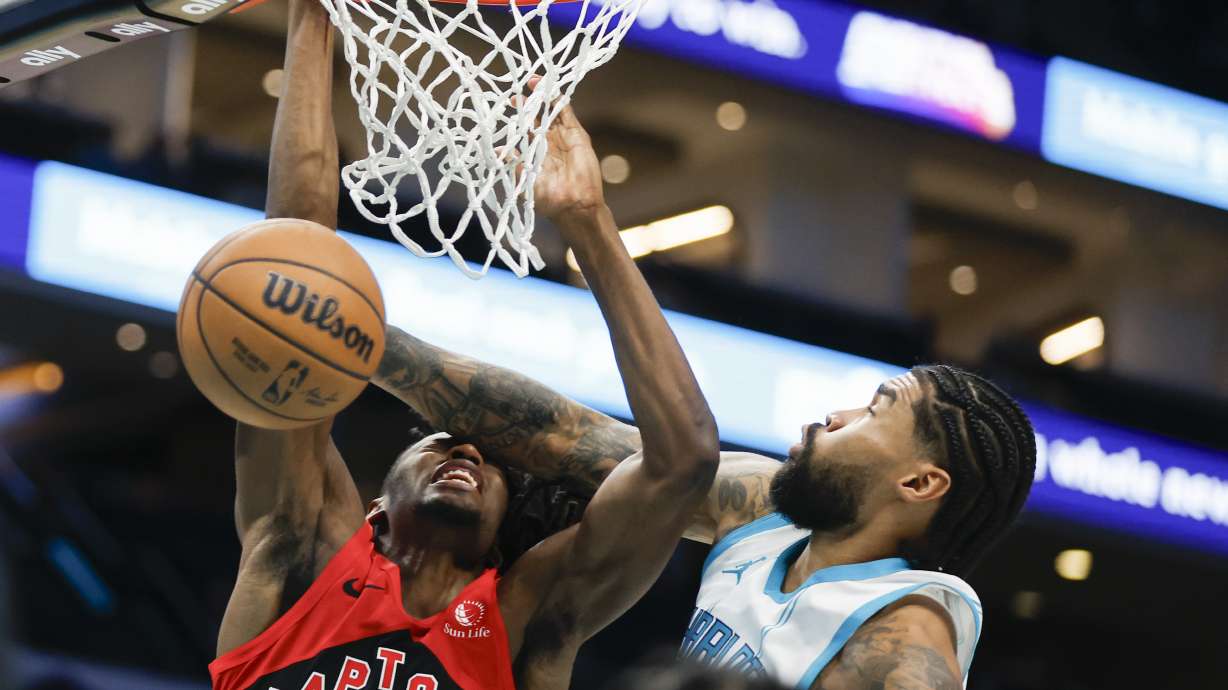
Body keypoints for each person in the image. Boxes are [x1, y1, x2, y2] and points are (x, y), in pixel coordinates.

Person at [207, 2, 719, 689]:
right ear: (376, 505)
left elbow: (684, 459)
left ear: (506, 527)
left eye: (487, 461)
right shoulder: (300, 548)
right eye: (440, 443)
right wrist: (311, 17)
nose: (469, 450)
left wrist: (588, 222)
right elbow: (294, 261)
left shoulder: (524, 617)